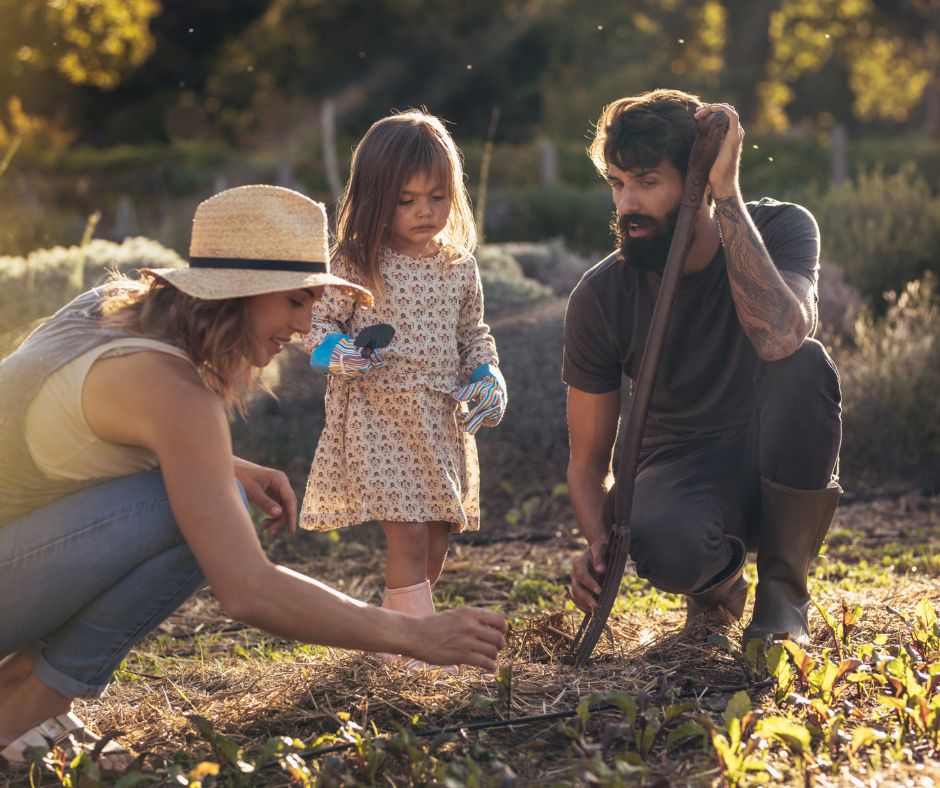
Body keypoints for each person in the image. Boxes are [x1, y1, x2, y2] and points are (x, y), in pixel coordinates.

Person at [0, 185, 507, 768]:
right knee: (199, 517)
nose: (305, 324)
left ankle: (26, 702)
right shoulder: (173, 393)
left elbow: (64, 432)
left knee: (208, 494)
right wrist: (414, 635)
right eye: (295, 301)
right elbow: (248, 590)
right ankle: (20, 712)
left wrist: (226, 465)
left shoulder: (109, 311)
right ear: (240, 294)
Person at [564, 89, 842, 646]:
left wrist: (726, 195)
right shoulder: (601, 296)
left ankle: (783, 593)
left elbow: (781, 336)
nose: (626, 205)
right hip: (680, 464)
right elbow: (588, 460)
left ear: (697, 179)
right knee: (664, 543)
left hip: (774, 450)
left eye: (647, 182)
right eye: (618, 184)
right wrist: (598, 540)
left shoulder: (785, 228)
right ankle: (717, 587)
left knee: (805, 364)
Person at [300, 110, 507, 667]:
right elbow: (319, 329)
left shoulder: (458, 266)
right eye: (406, 199)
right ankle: (414, 655)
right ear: (376, 196)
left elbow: (473, 335)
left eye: (437, 197)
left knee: (435, 540)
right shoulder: (357, 262)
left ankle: (391, 644)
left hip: (440, 416)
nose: (424, 211)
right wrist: (336, 354)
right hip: (380, 413)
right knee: (409, 535)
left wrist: (487, 373)